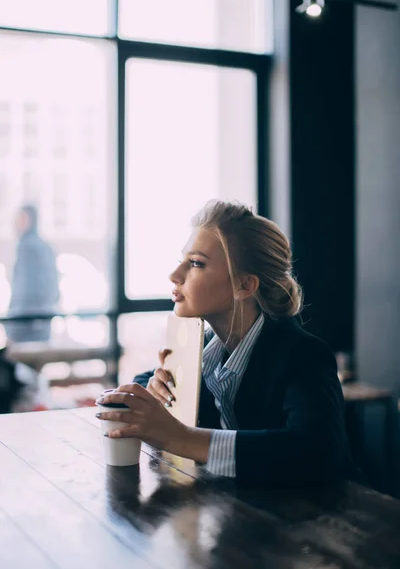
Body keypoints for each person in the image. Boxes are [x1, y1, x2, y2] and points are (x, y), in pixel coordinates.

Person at [96, 200, 354, 487]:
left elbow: (316, 451)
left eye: (195, 263)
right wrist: (153, 386)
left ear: (244, 285)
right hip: (246, 515)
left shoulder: (305, 356)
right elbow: (146, 379)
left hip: (327, 519)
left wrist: (180, 438)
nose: (175, 275)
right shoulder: (206, 349)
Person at [6, 204, 59, 343]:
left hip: (25, 326)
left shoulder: (26, 248)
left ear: (28, 220)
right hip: (42, 325)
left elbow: (23, 292)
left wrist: (12, 330)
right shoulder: (45, 248)